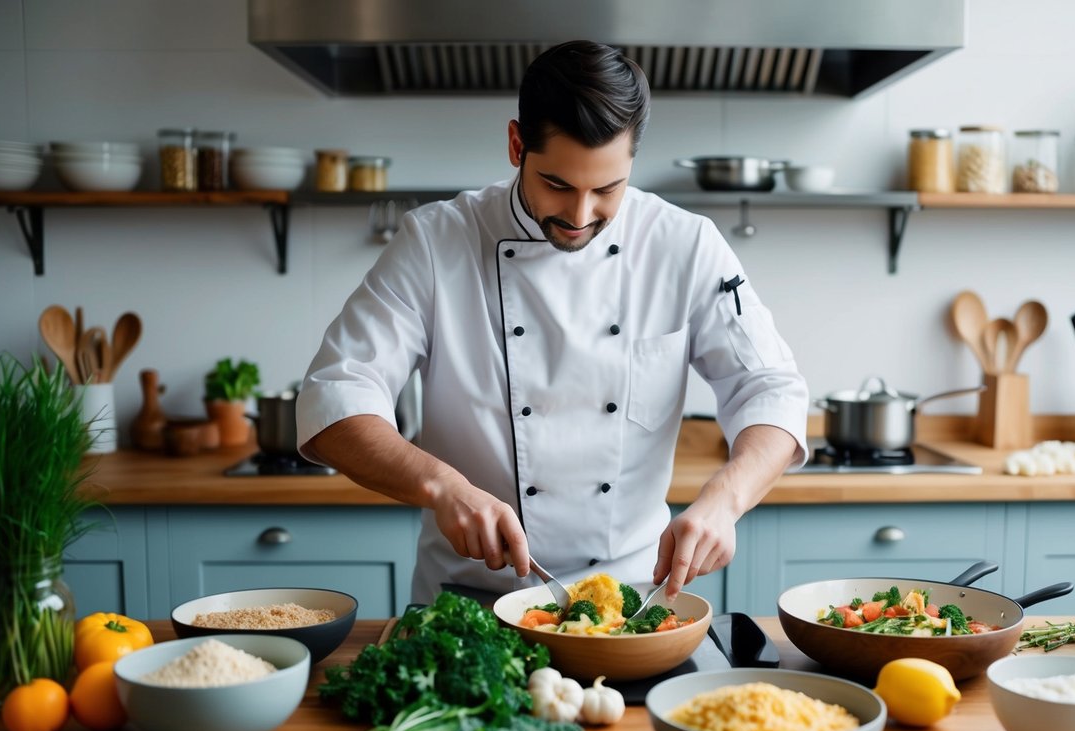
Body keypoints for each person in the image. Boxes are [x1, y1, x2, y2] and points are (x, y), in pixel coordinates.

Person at [297, 40, 808, 605]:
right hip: (470, 603)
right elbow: (335, 400)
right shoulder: (436, 242)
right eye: (559, 185)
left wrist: (725, 500)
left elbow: (770, 387)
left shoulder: (685, 245)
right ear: (517, 145)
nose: (581, 216)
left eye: (608, 189)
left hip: (631, 602)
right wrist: (442, 487)